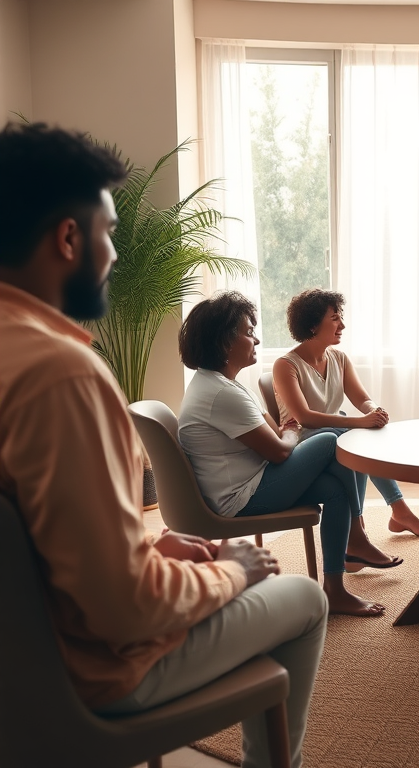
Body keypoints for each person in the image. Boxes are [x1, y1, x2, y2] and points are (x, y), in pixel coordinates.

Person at [0, 121, 327, 768]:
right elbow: (123, 610)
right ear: (69, 237)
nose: (116, 257)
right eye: (110, 234)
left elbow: (41, 534)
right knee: (303, 598)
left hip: (19, 659)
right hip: (89, 676)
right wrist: (230, 572)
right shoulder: (58, 374)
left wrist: (147, 544)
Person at [178, 290, 402, 617]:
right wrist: (292, 432)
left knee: (337, 488)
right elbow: (280, 451)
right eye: (249, 332)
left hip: (251, 482)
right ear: (225, 341)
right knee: (330, 439)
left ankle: (336, 587)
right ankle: (359, 533)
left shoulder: (223, 384)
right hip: (240, 498)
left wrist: (287, 432)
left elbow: (275, 429)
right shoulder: (222, 394)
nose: (256, 340)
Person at [273, 288, 419, 540]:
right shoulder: (286, 365)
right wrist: (359, 422)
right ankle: (375, 520)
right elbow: (304, 417)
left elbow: (362, 399)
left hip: (335, 433)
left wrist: (374, 411)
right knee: (355, 438)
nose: (343, 324)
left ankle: (388, 515)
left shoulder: (339, 359)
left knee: (359, 438)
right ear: (313, 325)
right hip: (306, 443)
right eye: (335, 318)